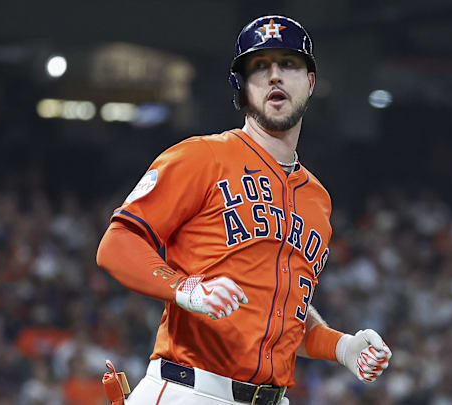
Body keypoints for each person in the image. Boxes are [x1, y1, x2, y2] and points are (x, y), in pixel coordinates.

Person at [96, 14, 392, 405]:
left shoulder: (317, 199)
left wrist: (341, 347)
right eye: (259, 67)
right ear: (242, 86)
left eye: (288, 64)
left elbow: (281, 313)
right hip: (190, 390)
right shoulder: (201, 156)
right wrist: (184, 287)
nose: (274, 76)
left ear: (311, 82)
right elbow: (116, 244)